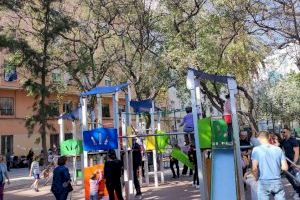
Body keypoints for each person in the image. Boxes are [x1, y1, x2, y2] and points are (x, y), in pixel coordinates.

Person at [251, 131, 288, 199]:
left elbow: (254, 168)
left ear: (258, 139)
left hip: (263, 182)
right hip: (277, 181)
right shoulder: (278, 149)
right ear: (269, 137)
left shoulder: (256, 150)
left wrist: (256, 179)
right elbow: (285, 168)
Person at [281, 127, 300, 198]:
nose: (283, 133)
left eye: (284, 132)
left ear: (289, 132)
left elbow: (297, 152)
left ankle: (298, 192)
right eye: (282, 132)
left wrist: (294, 162)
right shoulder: (283, 141)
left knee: (297, 178)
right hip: (287, 162)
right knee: (289, 177)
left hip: (294, 162)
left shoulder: (293, 140)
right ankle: (297, 190)